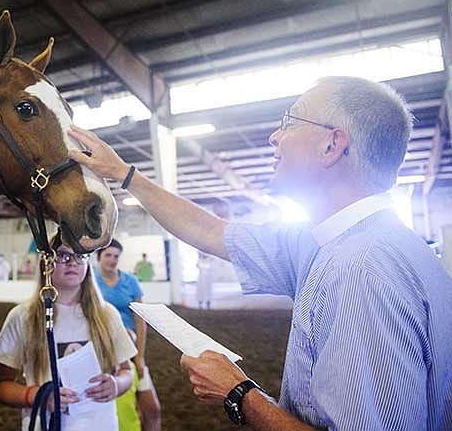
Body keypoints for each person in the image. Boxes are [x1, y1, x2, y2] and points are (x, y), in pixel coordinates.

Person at [67, 76, 452, 430]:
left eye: (289, 121)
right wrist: (124, 174)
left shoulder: (363, 270)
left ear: (332, 145)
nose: (273, 136)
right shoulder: (340, 243)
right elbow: (210, 230)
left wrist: (239, 394)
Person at [0, 234, 136, 431]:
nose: (72, 262)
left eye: (80, 256)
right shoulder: (22, 317)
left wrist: (116, 384)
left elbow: (126, 371)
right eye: (63, 256)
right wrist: (39, 396)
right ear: (46, 262)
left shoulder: (107, 315)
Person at [94, 240, 161, 431]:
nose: (112, 260)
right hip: (102, 350)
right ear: (99, 257)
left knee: (152, 409)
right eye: (108, 255)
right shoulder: (90, 281)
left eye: (116, 256)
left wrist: (139, 356)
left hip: (129, 348)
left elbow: (140, 320)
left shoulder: (130, 281)